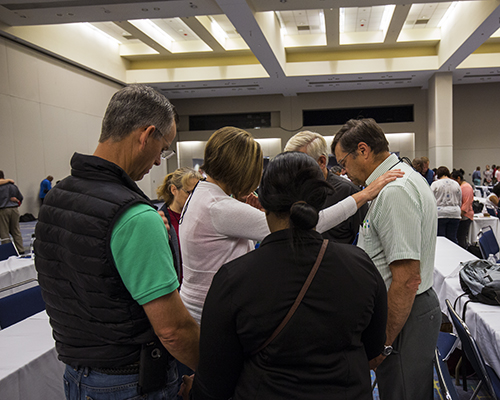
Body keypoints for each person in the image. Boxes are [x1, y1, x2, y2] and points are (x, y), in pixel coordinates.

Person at [34, 85, 200, 399]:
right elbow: (173, 330)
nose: (156, 162)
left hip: (76, 374)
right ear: (146, 135)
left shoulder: (57, 197)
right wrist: (215, 375)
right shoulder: (135, 216)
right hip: (130, 380)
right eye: (162, 148)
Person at [183, 151, 388, 400]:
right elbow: (374, 347)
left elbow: (216, 379)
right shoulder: (360, 265)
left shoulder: (233, 279)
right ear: (321, 200)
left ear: (263, 203)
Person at [179, 127, 402, 324]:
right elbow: (305, 225)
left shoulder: (201, 193)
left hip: (206, 306)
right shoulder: (219, 207)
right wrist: (365, 194)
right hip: (212, 313)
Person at [332, 118, 441, 400]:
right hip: (406, 308)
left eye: (343, 162)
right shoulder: (398, 178)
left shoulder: (394, 192)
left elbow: (406, 279)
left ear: (364, 150)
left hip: (404, 311)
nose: (343, 171)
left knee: (402, 392)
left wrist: (384, 343)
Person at [284, 130, 368, 244]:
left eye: (299, 164)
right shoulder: (290, 194)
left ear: (321, 161)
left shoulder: (349, 192)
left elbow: (364, 243)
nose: (292, 172)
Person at [156, 167, 203, 282]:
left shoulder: (200, 216)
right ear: (173, 190)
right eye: (189, 192)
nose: (194, 198)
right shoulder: (161, 220)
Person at [431, 166, 462, 244]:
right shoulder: (456, 184)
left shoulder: (435, 184)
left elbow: (431, 199)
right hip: (455, 213)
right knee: (453, 238)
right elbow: (459, 200)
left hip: (440, 214)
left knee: (441, 239)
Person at [0, 170, 24, 254]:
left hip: (2, 210)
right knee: (16, 231)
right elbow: (20, 197)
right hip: (14, 209)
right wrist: (17, 202)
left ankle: (8, 252)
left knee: (4, 233)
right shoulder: (12, 186)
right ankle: (21, 250)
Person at [451, 170, 474, 249]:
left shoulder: (466, 188)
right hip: (461, 215)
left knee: (461, 238)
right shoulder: (461, 187)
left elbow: (466, 205)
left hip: (465, 216)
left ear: (458, 178)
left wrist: (459, 215)